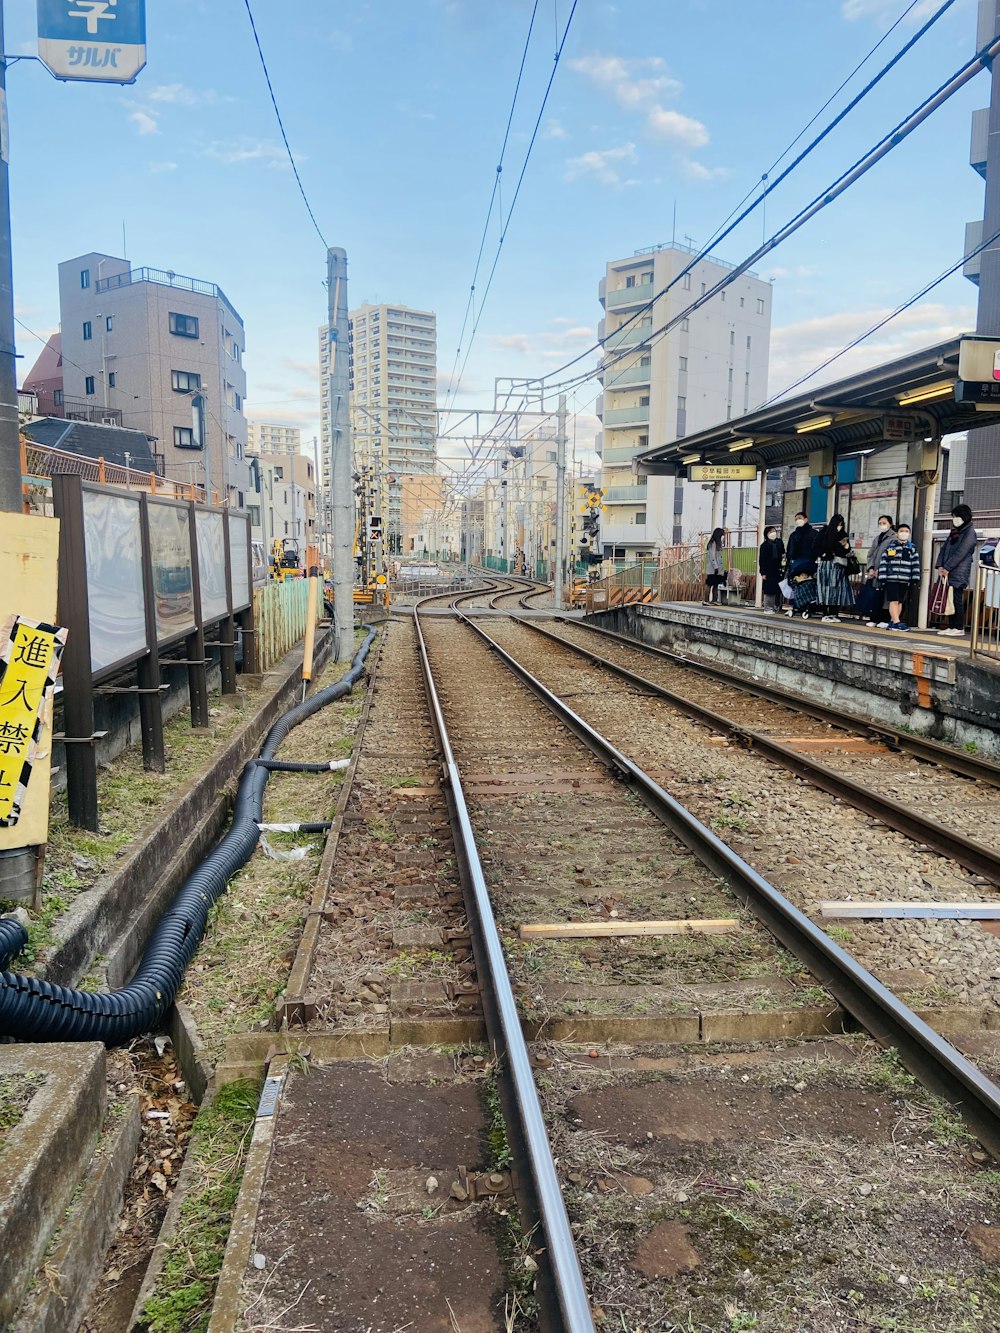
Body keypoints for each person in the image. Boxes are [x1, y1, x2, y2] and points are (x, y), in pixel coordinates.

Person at [935, 504, 978, 637]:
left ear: (964, 517)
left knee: (956, 599)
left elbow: (961, 552)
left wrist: (947, 567)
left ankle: (958, 627)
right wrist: (940, 566)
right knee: (950, 598)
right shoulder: (955, 531)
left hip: (958, 571)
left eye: (956, 516)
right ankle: (952, 625)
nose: (954, 519)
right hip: (948, 571)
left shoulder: (970, 533)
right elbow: (943, 549)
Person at [876, 521, 920, 631]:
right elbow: (884, 561)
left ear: (909, 533)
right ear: (897, 533)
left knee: (900, 601)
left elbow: (915, 563)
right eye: (901, 531)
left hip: (905, 579)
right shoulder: (891, 547)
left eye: (906, 531)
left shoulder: (912, 548)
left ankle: (893, 621)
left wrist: (915, 577)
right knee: (893, 600)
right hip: (892, 578)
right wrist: (882, 576)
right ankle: (897, 622)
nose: (904, 533)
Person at [815, 513, 855, 621]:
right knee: (825, 589)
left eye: (841, 524)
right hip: (826, 565)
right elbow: (815, 547)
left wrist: (846, 546)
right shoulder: (823, 533)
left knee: (836, 590)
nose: (840, 527)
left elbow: (845, 551)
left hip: (838, 565)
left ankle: (833, 613)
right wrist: (823, 554)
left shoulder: (843, 535)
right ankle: (825, 613)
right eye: (838, 524)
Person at [860, 515, 896, 624]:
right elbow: (870, 554)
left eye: (884, 523)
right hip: (874, 572)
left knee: (884, 597)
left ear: (890, 524)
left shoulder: (894, 538)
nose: (882, 525)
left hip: (886, 573)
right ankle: (874, 618)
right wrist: (871, 568)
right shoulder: (878, 538)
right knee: (874, 595)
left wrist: (882, 570)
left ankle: (884, 619)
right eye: (880, 523)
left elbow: (892, 557)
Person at [758, 525, 785, 612]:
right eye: (770, 532)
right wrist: (763, 573)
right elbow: (762, 560)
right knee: (769, 589)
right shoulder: (764, 546)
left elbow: (783, 553)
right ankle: (768, 607)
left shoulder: (779, 542)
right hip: (769, 570)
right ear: (766, 534)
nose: (773, 533)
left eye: (774, 531)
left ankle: (777, 606)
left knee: (778, 588)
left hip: (778, 568)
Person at [704, 527, 728, 605]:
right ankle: (706, 600)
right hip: (713, 568)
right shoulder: (713, 543)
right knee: (709, 583)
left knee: (716, 583)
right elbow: (712, 556)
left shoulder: (718, 543)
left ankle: (714, 599)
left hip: (718, 567)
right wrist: (716, 566)